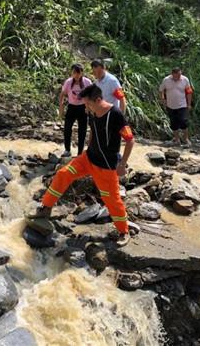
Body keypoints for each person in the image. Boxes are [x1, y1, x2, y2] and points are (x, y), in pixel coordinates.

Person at [31, 84, 135, 247]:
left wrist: (122, 164)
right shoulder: (93, 112)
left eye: (88, 103)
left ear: (99, 100)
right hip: (87, 159)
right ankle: (46, 208)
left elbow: (130, 140)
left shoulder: (115, 115)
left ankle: (124, 231)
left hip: (106, 166)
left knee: (111, 200)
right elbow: (93, 131)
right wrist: (87, 148)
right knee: (63, 173)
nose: (86, 107)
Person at [59, 64, 92, 157]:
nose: (76, 75)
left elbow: (92, 95)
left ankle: (80, 152)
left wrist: (89, 108)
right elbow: (62, 94)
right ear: (72, 73)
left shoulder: (87, 82)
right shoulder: (68, 82)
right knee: (67, 128)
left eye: (78, 73)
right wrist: (61, 107)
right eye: (74, 73)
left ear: (82, 73)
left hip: (83, 108)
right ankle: (67, 150)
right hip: (71, 107)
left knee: (82, 131)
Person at [159, 67, 193, 147]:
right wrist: (163, 99)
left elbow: (189, 92)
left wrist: (189, 104)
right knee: (173, 123)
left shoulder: (185, 79)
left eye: (179, 75)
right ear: (172, 74)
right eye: (177, 76)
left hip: (182, 105)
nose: (178, 77)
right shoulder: (166, 80)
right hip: (170, 105)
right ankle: (177, 139)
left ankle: (186, 139)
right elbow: (161, 90)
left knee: (183, 121)